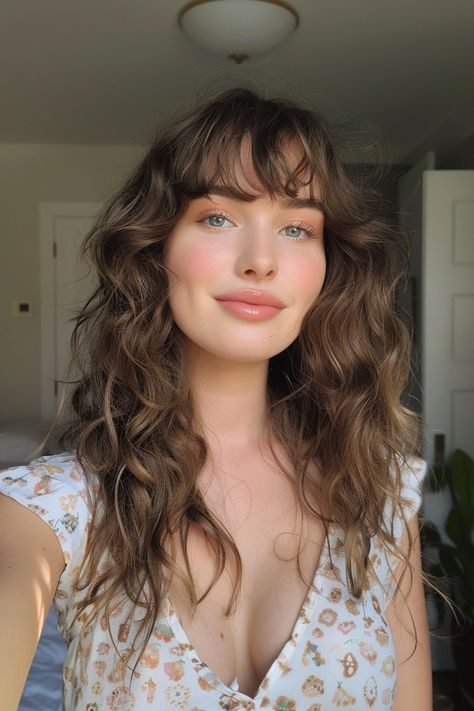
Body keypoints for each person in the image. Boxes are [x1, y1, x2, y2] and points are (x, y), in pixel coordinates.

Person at [0, 87, 431, 710]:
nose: (261, 260)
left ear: (327, 268)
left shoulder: (381, 493)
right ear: (158, 249)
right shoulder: (54, 507)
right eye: (218, 217)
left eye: (296, 227)